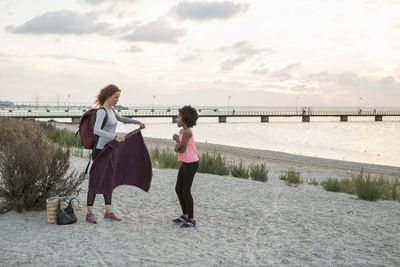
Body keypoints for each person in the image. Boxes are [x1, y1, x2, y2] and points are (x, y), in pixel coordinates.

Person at [86, 84, 145, 224]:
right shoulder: (102, 111)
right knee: (96, 179)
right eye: (115, 97)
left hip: (110, 148)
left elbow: (122, 119)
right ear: (108, 96)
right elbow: (96, 130)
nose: (117, 100)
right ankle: (89, 213)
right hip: (101, 150)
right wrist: (114, 136)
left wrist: (138, 122)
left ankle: (108, 211)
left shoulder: (111, 110)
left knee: (109, 179)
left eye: (118, 97)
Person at [172, 105, 199, 228]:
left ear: (185, 119)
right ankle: (185, 215)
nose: (177, 119)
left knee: (186, 191)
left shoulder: (187, 132)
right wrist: (178, 143)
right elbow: (177, 150)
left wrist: (177, 140)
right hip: (185, 163)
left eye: (178, 117)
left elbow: (180, 150)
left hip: (191, 163)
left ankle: (191, 220)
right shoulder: (182, 131)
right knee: (178, 189)